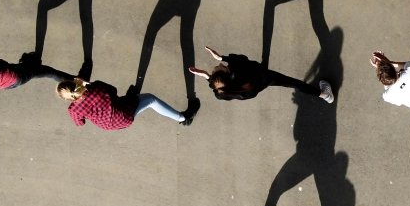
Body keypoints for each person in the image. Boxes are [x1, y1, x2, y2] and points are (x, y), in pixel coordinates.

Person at [189, 46, 332, 103]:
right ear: (226, 71)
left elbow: (217, 88)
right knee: (293, 83)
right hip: (263, 75)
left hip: (259, 85)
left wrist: (207, 76)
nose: (219, 65)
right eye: (219, 67)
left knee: (291, 84)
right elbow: (243, 58)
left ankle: (326, 97)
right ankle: (325, 94)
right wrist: (222, 58)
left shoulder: (224, 91)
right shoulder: (238, 67)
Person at [57, 78, 190, 130]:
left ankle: (132, 97)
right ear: (76, 82)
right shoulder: (96, 88)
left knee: (125, 100)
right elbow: (114, 91)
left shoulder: (73, 110)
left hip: (107, 125)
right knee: (150, 99)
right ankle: (183, 118)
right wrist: (89, 84)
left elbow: (80, 123)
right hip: (123, 114)